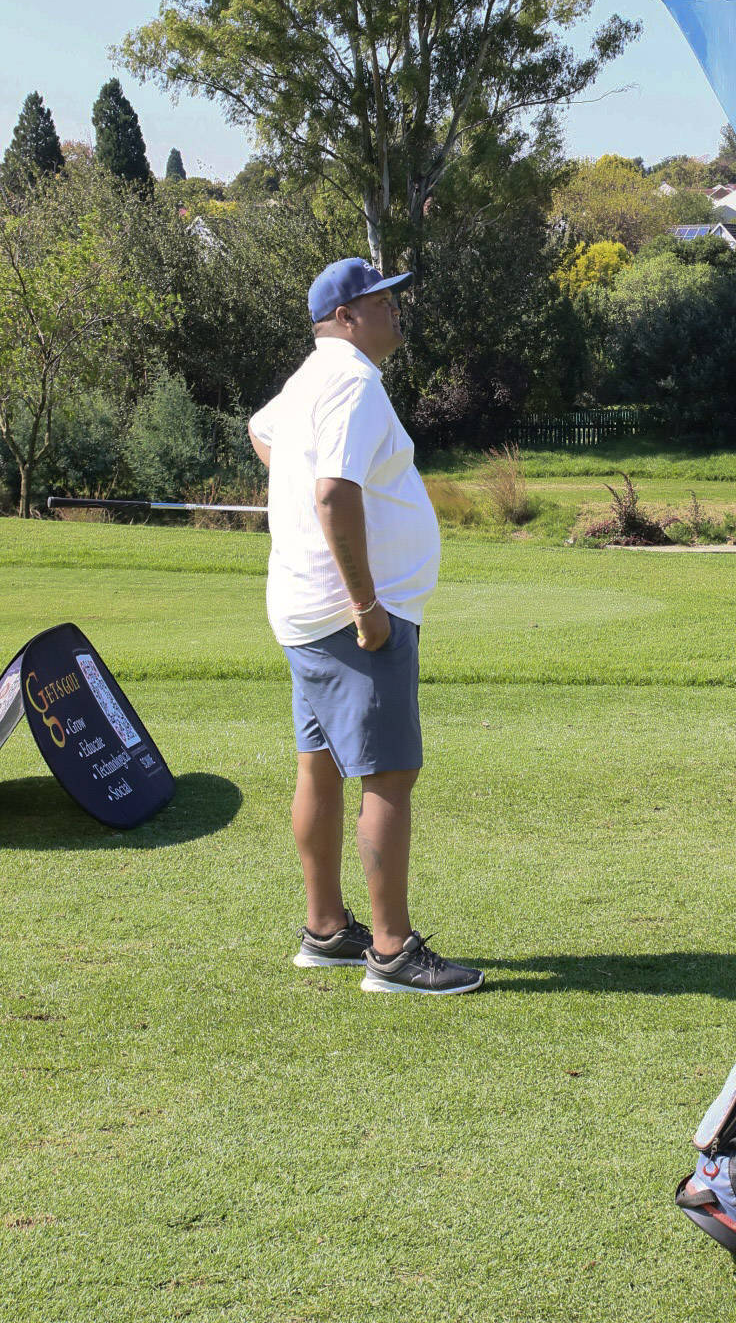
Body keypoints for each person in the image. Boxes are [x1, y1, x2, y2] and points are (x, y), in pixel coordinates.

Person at [248, 257, 483, 998]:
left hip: (302, 609)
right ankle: (390, 952)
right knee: (388, 774)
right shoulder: (352, 380)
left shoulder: (307, 380)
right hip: (351, 619)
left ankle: (326, 931)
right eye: (381, 301)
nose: (395, 310)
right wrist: (365, 604)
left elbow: (262, 433)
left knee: (319, 765)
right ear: (345, 317)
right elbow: (333, 494)